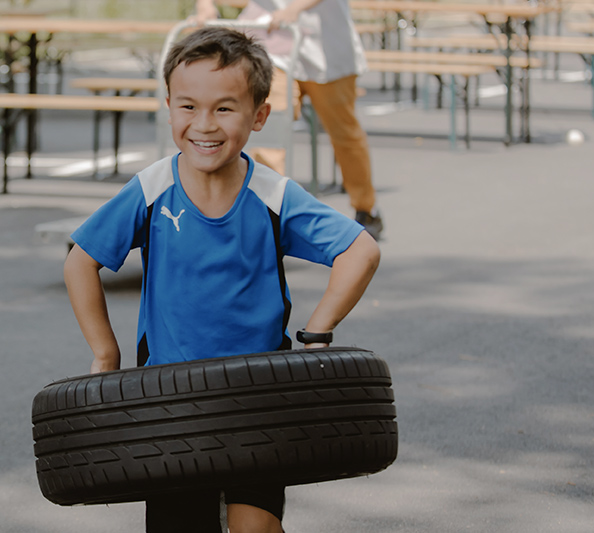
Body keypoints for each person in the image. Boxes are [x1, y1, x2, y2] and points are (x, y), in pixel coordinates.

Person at [63, 28, 380, 533]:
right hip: (171, 395)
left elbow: (359, 249)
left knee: (255, 528)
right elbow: (81, 258)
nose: (203, 125)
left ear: (258, 116)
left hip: (259, 394)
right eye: (187, 107)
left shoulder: (274, 195)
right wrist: (107, 354)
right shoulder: (152, 189)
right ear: (168, 107)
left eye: (225, 109)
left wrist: (318, 333)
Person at [195, 0, 384, 240]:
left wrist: (294, 9)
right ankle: (265, 209)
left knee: (344, 133)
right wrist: (205, 5)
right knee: (269, 126)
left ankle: (366, 205)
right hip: (273, 44)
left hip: (326, 48)